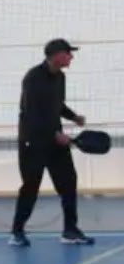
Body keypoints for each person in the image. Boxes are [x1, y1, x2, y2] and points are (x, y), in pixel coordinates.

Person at [9, 38, 95, 247]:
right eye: (68, 53)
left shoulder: (61, 78)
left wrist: (73, 117)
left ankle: (70, 230)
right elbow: (33, 114)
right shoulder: (33, 78)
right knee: (31, 187)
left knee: (68, 183)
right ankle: (17, 232)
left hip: (55, 141)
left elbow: (57, 105)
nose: (71, 57)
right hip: (33, 141)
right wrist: (55, 134)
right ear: (56, 55)